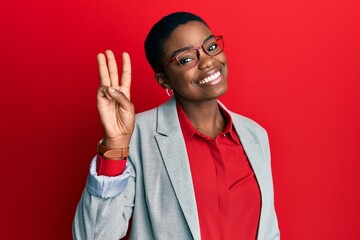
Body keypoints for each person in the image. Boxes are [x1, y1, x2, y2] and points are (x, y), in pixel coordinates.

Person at [73, 12, 280, 240]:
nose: (208, 62)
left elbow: (268, 231)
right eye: (187, 59)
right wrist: (115, 145)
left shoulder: (255, 135)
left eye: (210, 47)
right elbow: (93, 236)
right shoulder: (137, 136)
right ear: (164, 79)